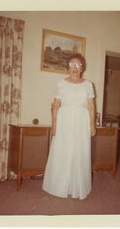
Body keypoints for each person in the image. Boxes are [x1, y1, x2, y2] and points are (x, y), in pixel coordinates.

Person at [42, 53, 96, 200]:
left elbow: (91, 106)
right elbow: (55, 106)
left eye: (78, 65)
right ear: (67, 68)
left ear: (82, 68)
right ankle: (59, 186)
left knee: (79, 152)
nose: (74, 68)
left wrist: (92, 126)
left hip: (81, 122)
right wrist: (54, 125)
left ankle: (78, 186)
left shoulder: (88, 84)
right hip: (64, 121)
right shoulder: (61, 84)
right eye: (71, 65)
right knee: (62, 152)